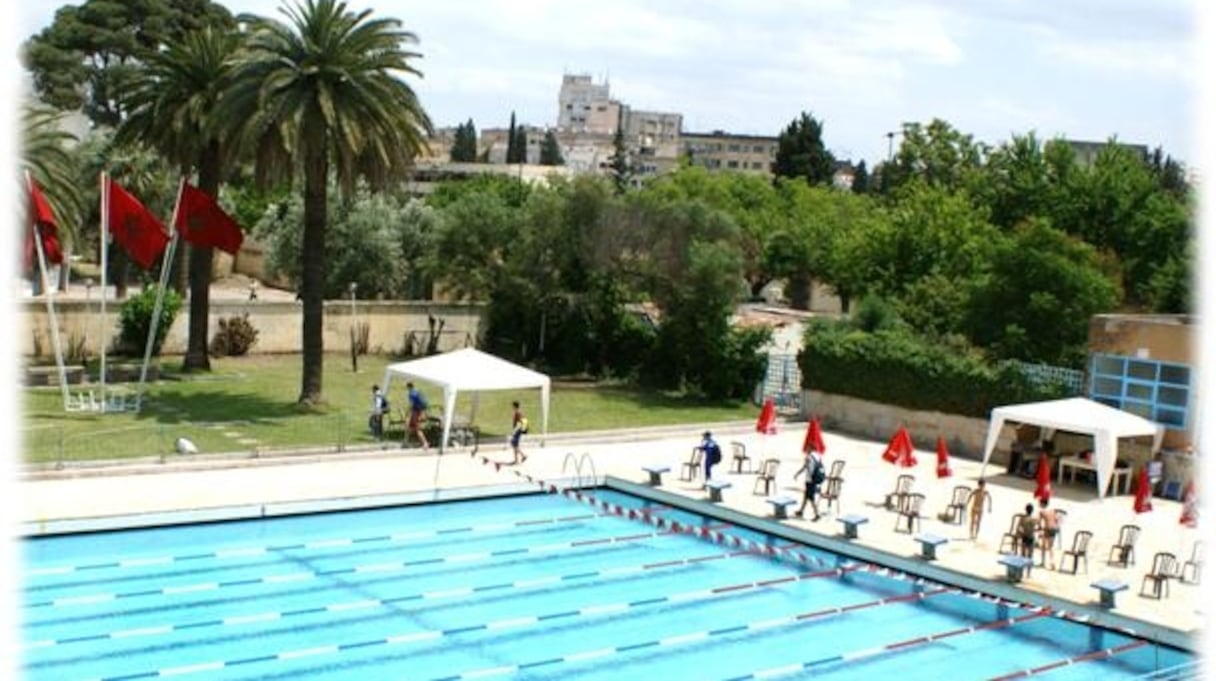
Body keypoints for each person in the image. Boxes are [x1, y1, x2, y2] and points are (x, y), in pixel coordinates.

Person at [793, 448, 825, 521]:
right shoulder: (817, 456)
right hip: (816, 479)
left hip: (810, 480)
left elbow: (806, 468)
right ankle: (801, 511)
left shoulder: (809, 457)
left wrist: (797, 474)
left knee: (811, 497)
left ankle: (817, 514)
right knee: (806, 495)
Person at [406, 382, 429, 450]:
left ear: (408, 387)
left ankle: (425, 443)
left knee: (417, 429)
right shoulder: (418, 391)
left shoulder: (411, 394)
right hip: (420, 411)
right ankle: (406, 442)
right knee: (410, 427)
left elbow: (411, 404)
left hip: (415, 412)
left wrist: (408, 412)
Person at [1038, 497, 1060, 569]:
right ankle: (1052, 562)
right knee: (1051, 547)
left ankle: (1043, 562)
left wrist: (1040, 530)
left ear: (1042, 503)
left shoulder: (1042, 511)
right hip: (1054, 529)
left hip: (1047, 529)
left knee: (1044, 546)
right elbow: (1057, 520)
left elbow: (1039, 523)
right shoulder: (1052, 510)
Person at [510, 400, 528, 464]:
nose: (512, 407)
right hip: (518, 430)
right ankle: (516, 460)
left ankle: (523, 456)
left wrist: (514, 431)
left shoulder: (518, 413)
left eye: (513, 406)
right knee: (514, 445)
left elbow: (519, 423)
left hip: (518, 430)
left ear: (515, 406)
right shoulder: (518, 412)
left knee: (514, 444)